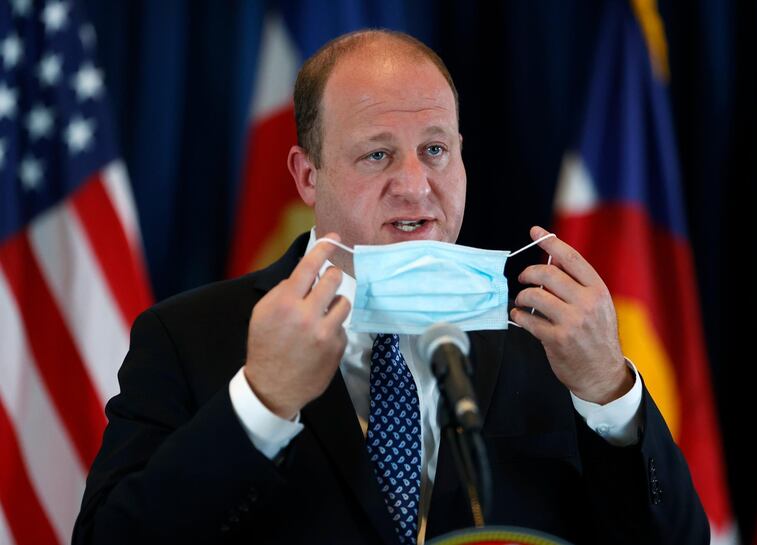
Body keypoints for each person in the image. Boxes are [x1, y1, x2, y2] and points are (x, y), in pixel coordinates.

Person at [73, 30, 709, 545]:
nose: (414, 184)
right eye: (377, 155)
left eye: (435, 149)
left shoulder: (547, 342)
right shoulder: (190, 337)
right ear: (307, 176)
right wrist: (261, 404)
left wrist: (609, 393)